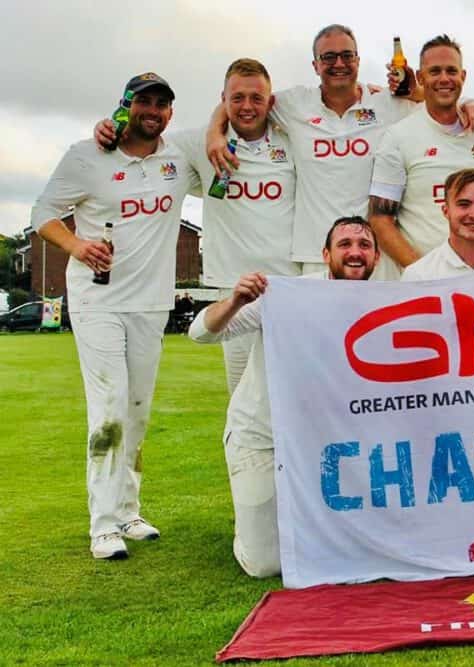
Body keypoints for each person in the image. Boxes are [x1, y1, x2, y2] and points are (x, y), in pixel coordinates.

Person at [30, 73, 198, 559]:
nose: (154, 110)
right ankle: (102, 526)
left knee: (137, 412)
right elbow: (43, 211)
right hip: (97, 300)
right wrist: (77, 246)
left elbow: (221, 146)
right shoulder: (87, 155)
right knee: (109, 409)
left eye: (162, 104)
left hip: (151, 303)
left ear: (170, 112)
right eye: (144, 101)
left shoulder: (178, 158)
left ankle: (128, 510)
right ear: (125, 106)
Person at [188, 217, 379, 577]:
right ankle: (254, 527)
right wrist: (235, 300)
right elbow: (201, 333)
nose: (355, 253)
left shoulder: (380, 301)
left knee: (351, 548)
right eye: (345, 244)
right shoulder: (283, 295)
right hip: (262, 439)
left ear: (376, 257)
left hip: (325, 449)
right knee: (265, 565)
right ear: (326, 254)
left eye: (364, 245)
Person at [96, 59, 299, 392]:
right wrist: (105, 130)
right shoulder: (194, 145)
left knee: (296, 396)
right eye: (236, 98)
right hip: (237, 292)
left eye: (256, 98)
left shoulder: (293, 139)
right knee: (243, 402)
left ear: (270, 101)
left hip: (291, 286)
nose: (246, 106)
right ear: (223, 99)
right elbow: (143, 138)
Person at [205, 25, 418, 273]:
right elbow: (244, 99)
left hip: (374, 256)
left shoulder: (386, 105)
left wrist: (457, 103)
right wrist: (214, 133)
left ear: (358, 61)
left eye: (347, 55)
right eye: (328, 57)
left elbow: (436, 109)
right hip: (317, 256)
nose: (339, 63)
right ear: (315, 65)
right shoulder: (295, 104)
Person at [370, 35, 474, 280]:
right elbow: (380, 220)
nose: (444, 79)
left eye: (451, 71)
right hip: (424, 284)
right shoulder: (398, 136)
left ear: (464, 76)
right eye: (435, 71)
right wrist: (425, 273)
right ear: (420, 77)